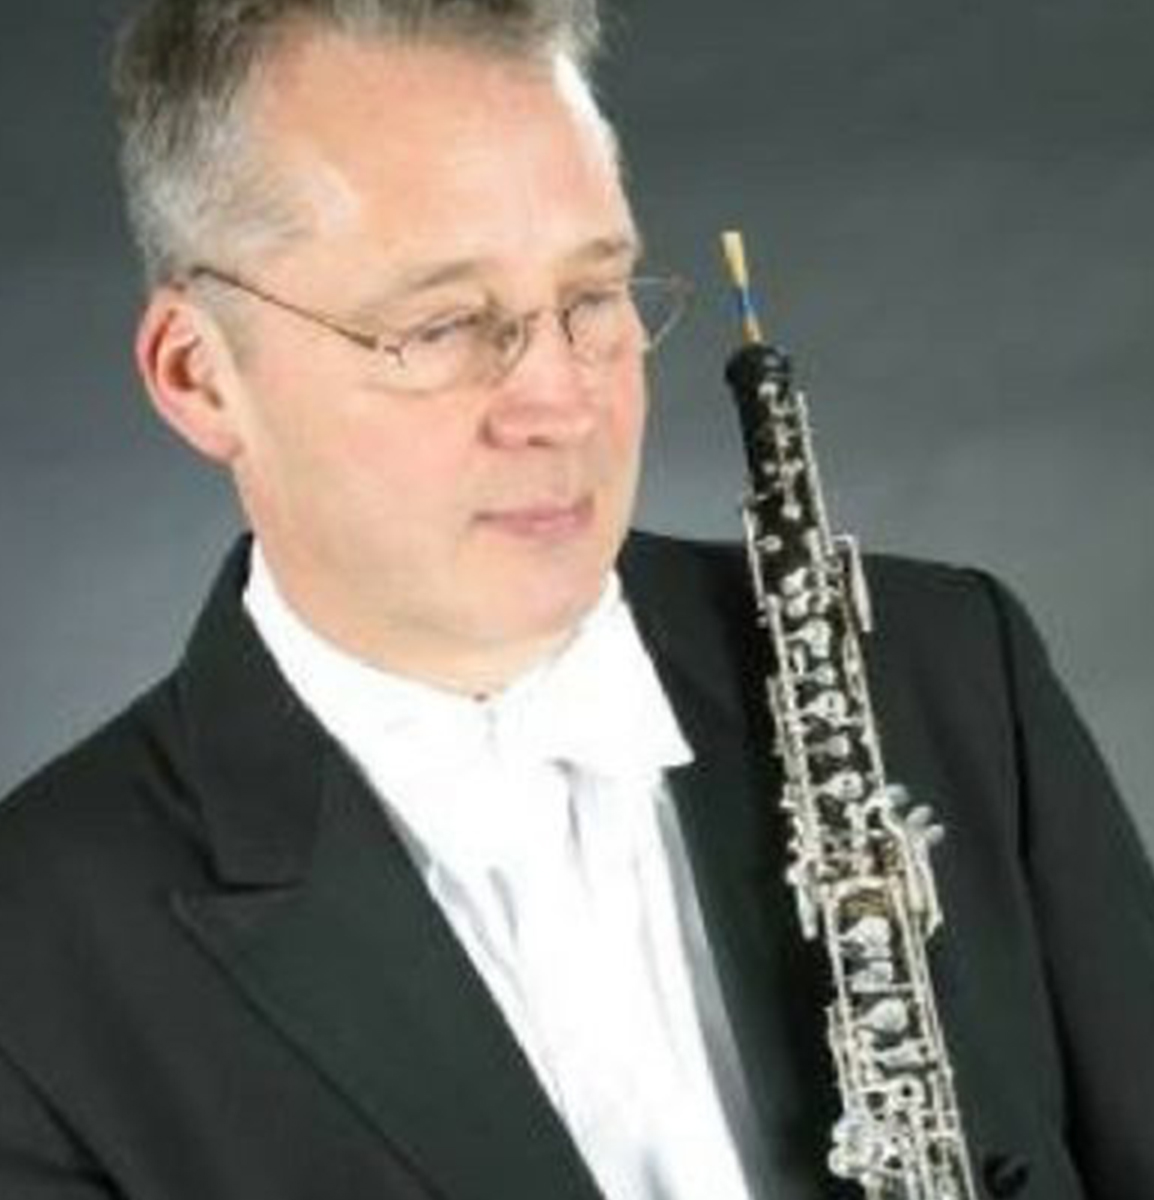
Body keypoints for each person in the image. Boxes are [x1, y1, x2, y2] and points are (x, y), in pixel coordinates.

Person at [0, 1, 1151, 1197]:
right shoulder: (33, 963)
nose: (561, 402)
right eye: (443, 324)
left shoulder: (951, 673)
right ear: (199, 376)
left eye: (593, 296)